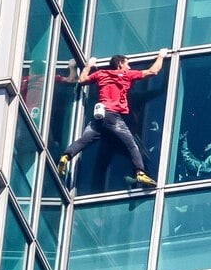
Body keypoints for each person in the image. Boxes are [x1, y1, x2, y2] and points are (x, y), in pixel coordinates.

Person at [57, 49, 168, 187]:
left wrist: (89, 65)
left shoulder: (101, 73)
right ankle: (140, 173)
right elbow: (152, 71)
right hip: (112, 116)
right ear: (120, 64)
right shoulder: (126, 74)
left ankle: (65, 157)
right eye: (127, 64)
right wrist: (161, 56)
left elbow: (82, 80)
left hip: (99, 115)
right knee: (131, 145)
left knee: (84, 140)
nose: (129, 67)